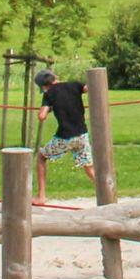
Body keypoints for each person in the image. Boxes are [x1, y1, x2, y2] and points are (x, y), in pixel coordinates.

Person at [31, 68, 95, 199]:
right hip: (82, 134)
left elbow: (42, 116)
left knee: (41, 157)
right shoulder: (74, 85)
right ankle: (107, 193)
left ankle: (41, 195)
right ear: (55, 77)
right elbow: (89, 88)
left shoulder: (49, 94)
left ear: (44, 86)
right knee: (89, 167)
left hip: (65, 137)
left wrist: (49, 107)